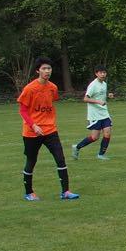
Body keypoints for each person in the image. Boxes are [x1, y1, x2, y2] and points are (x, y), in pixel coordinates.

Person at [18, 57, 79, 201]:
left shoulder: (53, 88)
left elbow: (51, 103)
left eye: (49, 68)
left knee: (60, 159)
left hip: (50, 130)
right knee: (31, 161)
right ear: (38, 71)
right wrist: (33, 125)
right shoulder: (29, 89)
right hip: (31, 133)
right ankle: (29, 193)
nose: (47, 71)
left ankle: (65, 192)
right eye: (44, 68)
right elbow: (23, 110)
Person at [72, 65, 114, 160]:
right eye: (101, 72)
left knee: (107, 133)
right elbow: (86, 98)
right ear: (96, 74)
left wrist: (108, 95)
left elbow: (101, 96)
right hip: (95, 114)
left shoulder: (104, 84)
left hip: (104, 113)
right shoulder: (93, 85)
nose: (103, 74)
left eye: (104, 72)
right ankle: (77, 147)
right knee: (94, 137)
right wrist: (98, 102)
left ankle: (101, 155)